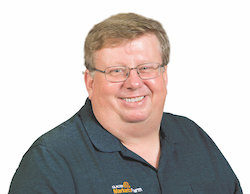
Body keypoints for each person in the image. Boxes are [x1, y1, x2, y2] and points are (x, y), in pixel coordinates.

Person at [9, 13, 242, 193]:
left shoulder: (193, 136)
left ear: (164, 75)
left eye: (146, 68)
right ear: (90, 82)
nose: (133, 83)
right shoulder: (50, 162)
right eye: (117, 71)